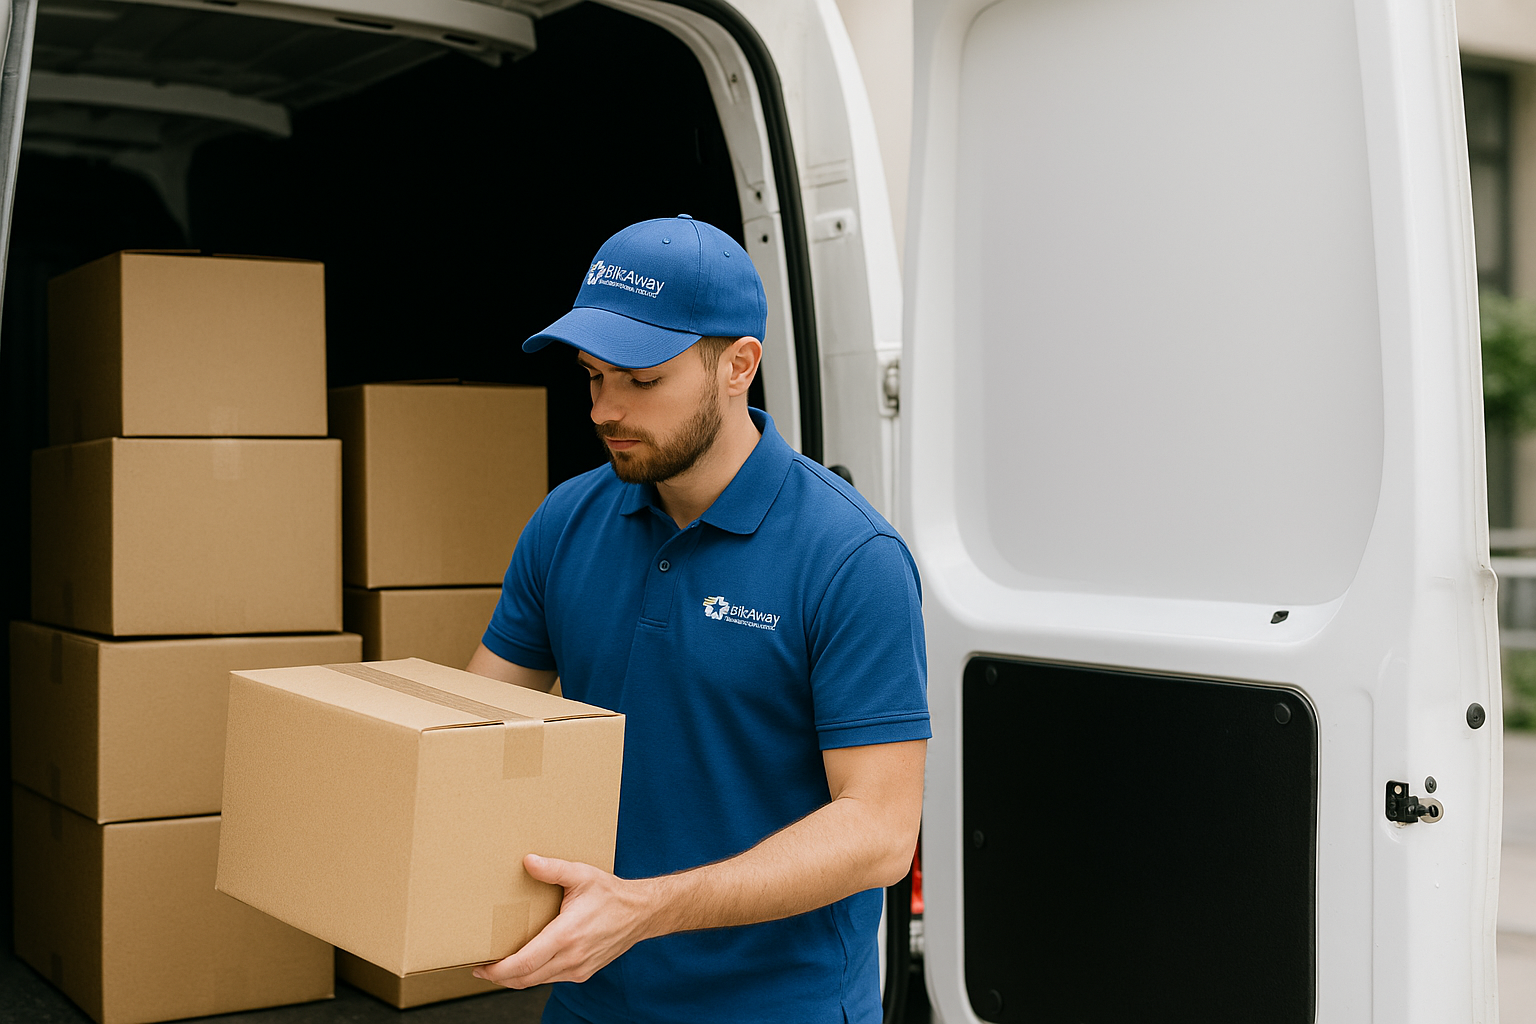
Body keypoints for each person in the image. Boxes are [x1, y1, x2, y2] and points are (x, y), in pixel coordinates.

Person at [465, 214, 930, 1024]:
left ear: (737, 367)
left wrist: (645, 909)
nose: (604, 409)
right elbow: (473, 730)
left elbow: (882, 832)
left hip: (777, 1005)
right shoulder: (566, 521)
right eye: (591, 375)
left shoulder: (850, 557)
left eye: (641, 381)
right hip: (591, 995)